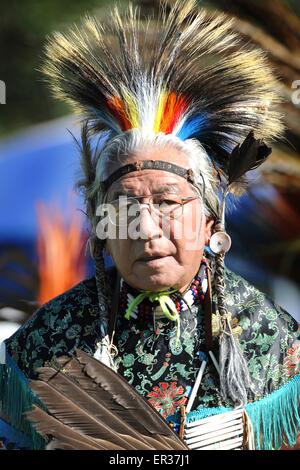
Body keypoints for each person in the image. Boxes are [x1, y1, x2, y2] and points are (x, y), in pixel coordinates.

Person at [0, 0, 299, 450]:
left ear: (209, 219)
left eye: (168, 202)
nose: (145, 227)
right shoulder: (43, 348)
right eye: (123, 206)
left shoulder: (274, 343)